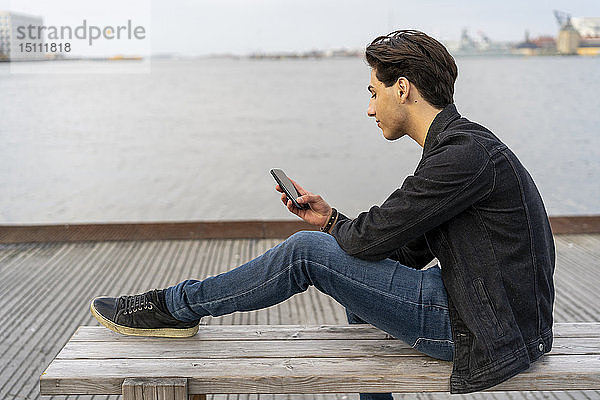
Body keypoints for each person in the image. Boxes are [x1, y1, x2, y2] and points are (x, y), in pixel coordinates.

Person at [90, 30, 555, 395]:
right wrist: (335, 222)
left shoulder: (461, 157)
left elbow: (371, 239)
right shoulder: (462, 148)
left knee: (305, 252)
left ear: (404, 88)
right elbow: (400, 248)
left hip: (485, 327)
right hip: (495, 314)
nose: (369, 108)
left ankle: (173, 306)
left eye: (374, 92)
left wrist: (332, 229)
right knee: (356, 287)